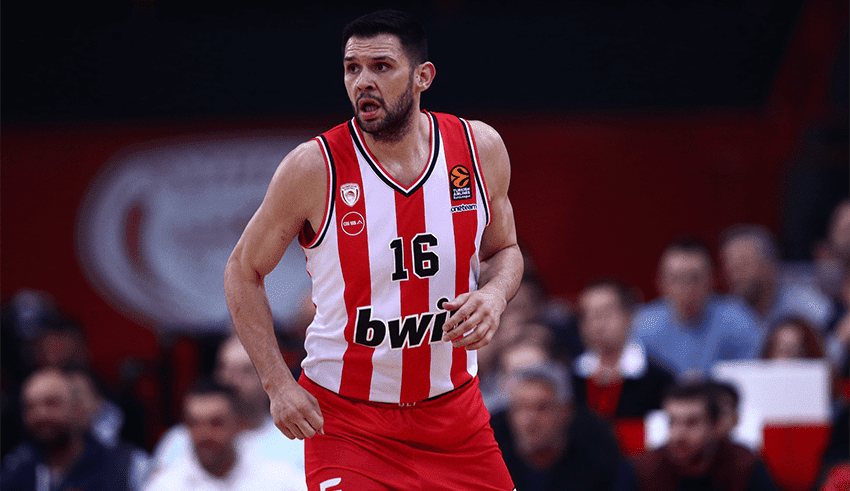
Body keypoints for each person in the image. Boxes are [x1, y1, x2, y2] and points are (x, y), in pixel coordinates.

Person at [223, 9, 523, 490]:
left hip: (454, 417)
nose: (363, 81)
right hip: (348, 421)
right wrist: (277, 384)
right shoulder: (313, 168)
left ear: (423, 76)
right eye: (352, 68)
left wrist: (494, 294)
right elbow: (242, 270)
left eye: (381, 66)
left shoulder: (478, 148)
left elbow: (504, 250)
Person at [150, 335, 304, 479]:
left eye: (246, 370)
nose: (231, 379)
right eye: (224, 368)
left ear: (270, 377)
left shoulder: (295, 438)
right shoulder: (179, 440)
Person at [144, 379, 306, 491]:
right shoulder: (165, 485)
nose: (204, 433)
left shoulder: (278, 478)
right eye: (194, 423)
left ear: (240, 425)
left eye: (216, 423)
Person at [633, 238, 761, 376]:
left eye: (694, 278)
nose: (686, 288)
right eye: (675, 278)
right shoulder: (642, 325)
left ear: (712, 280)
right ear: (660, 282)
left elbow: (752, 374)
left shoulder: (738, 321)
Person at [489, 361, 624, 491]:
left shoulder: (600, 456)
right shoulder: (491, 456)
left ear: (565, 411)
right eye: (520, 408)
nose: (529, 420)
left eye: (542, 408)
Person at [1, 368, 141, 491]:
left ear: (77, 409)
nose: (40, 415)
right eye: (30, 407)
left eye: (51, 403)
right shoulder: (17, 465)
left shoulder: (125, 465)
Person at [627, 381, 778, 491]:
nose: (679, 434)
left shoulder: (745, 466)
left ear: (715, 425)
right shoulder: (643, 469)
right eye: (672, 422)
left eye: (691, 423)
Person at [572, 278, 674, 420]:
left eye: (605, 313)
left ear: (629, 316)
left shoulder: (658, 380)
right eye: (588, 315)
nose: (596, 323)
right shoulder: (572, 378)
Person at [719, 224, 833, 336]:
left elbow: (827, 344)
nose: (735, 275)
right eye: (730, 267)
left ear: (769, 265)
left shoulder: (805, 305)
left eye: (742, 265)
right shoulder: (727, 314)